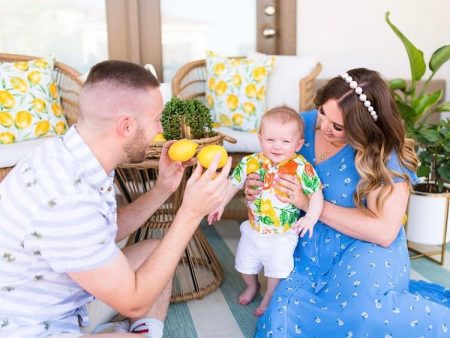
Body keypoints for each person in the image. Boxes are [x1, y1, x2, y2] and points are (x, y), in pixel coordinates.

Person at [0, 60, 232, 337]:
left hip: (67, 298)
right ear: (126, 126)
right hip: (29, 326)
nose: (160, 129)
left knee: (152, 251)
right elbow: (134, 302)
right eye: (157, 118)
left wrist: (163, 190)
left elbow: (103, 229)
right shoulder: (67, 199)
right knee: (135, 302)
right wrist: (190, 213)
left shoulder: (72, 153)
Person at [245, 68, 450, 337]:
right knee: (282, 321)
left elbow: (383, 233)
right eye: (322, 113)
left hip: (364, 246)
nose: (323, 126)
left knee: (366, 314)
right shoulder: (300, 126)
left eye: (338, 126)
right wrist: (255, 185)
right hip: (306, 243)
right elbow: (266, 162)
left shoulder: (384, 154)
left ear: (363, 129)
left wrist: (308, 204)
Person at [208, 106, 323, 317]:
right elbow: (233, 184)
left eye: (285, 142)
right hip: (253, 230)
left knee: (276, 271)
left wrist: (311, 218)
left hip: (282, 234)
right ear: (260, 138)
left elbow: (316, 194)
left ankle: (270, 295)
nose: (277, 146)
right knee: (243, 266)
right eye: (271, 140)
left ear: (298, 144)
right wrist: (221, 203)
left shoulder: (300, 166)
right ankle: (252, 286)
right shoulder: (251, 162)